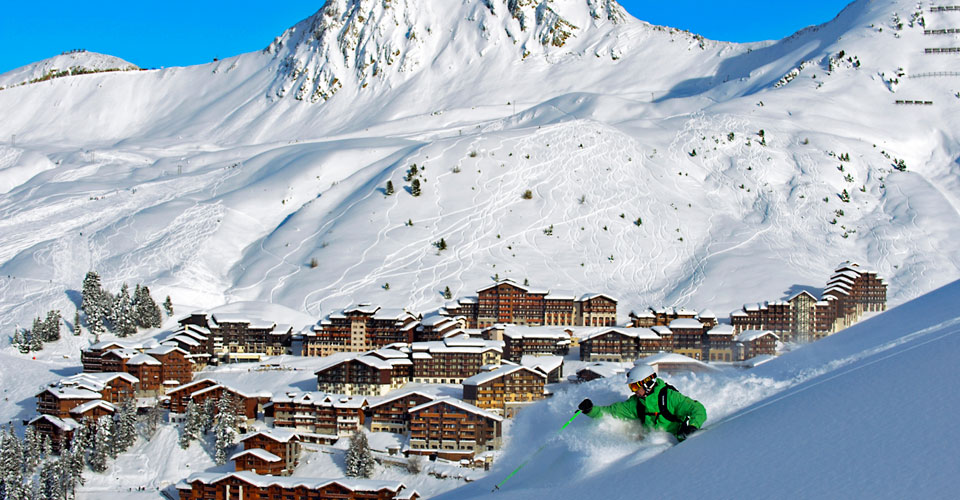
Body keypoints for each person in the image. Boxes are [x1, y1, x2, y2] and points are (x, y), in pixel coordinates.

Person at [578, 364, 706, 441]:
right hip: (652, 448)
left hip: (678, 446)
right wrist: (590, 410)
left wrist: (693, 427)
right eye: (631, 388)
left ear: (648, 383)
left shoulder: (669, 397)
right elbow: (611, 412)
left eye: (635, 387)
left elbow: (698, 409)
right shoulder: (637, 403)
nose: (634, 391)